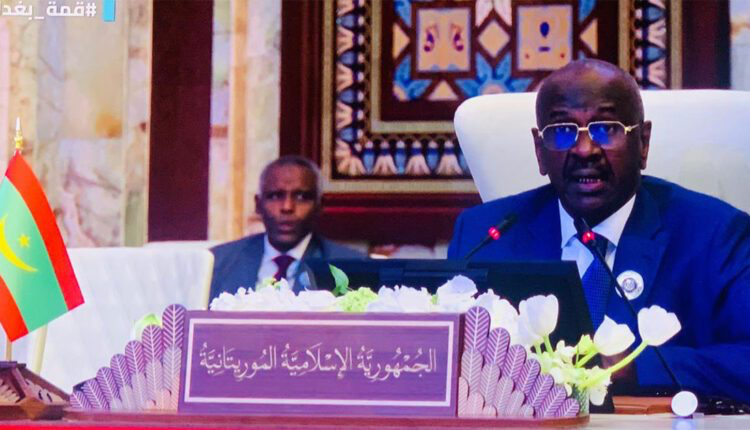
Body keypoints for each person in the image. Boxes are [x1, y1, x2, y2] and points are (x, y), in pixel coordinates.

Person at [448, 59, 750, 403]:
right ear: (540, 151)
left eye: (606, 129)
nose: (584, 150)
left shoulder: (715, 234)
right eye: (562, 131)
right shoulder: (484, 235)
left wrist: (635, 368)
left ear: (643, 143)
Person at [209, 156, 365, 300]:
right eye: (275, 196)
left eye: (301, 197)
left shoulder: (351, 267)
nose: (287, 207)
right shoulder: (217, 264)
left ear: (319, 205)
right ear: (258, 204)